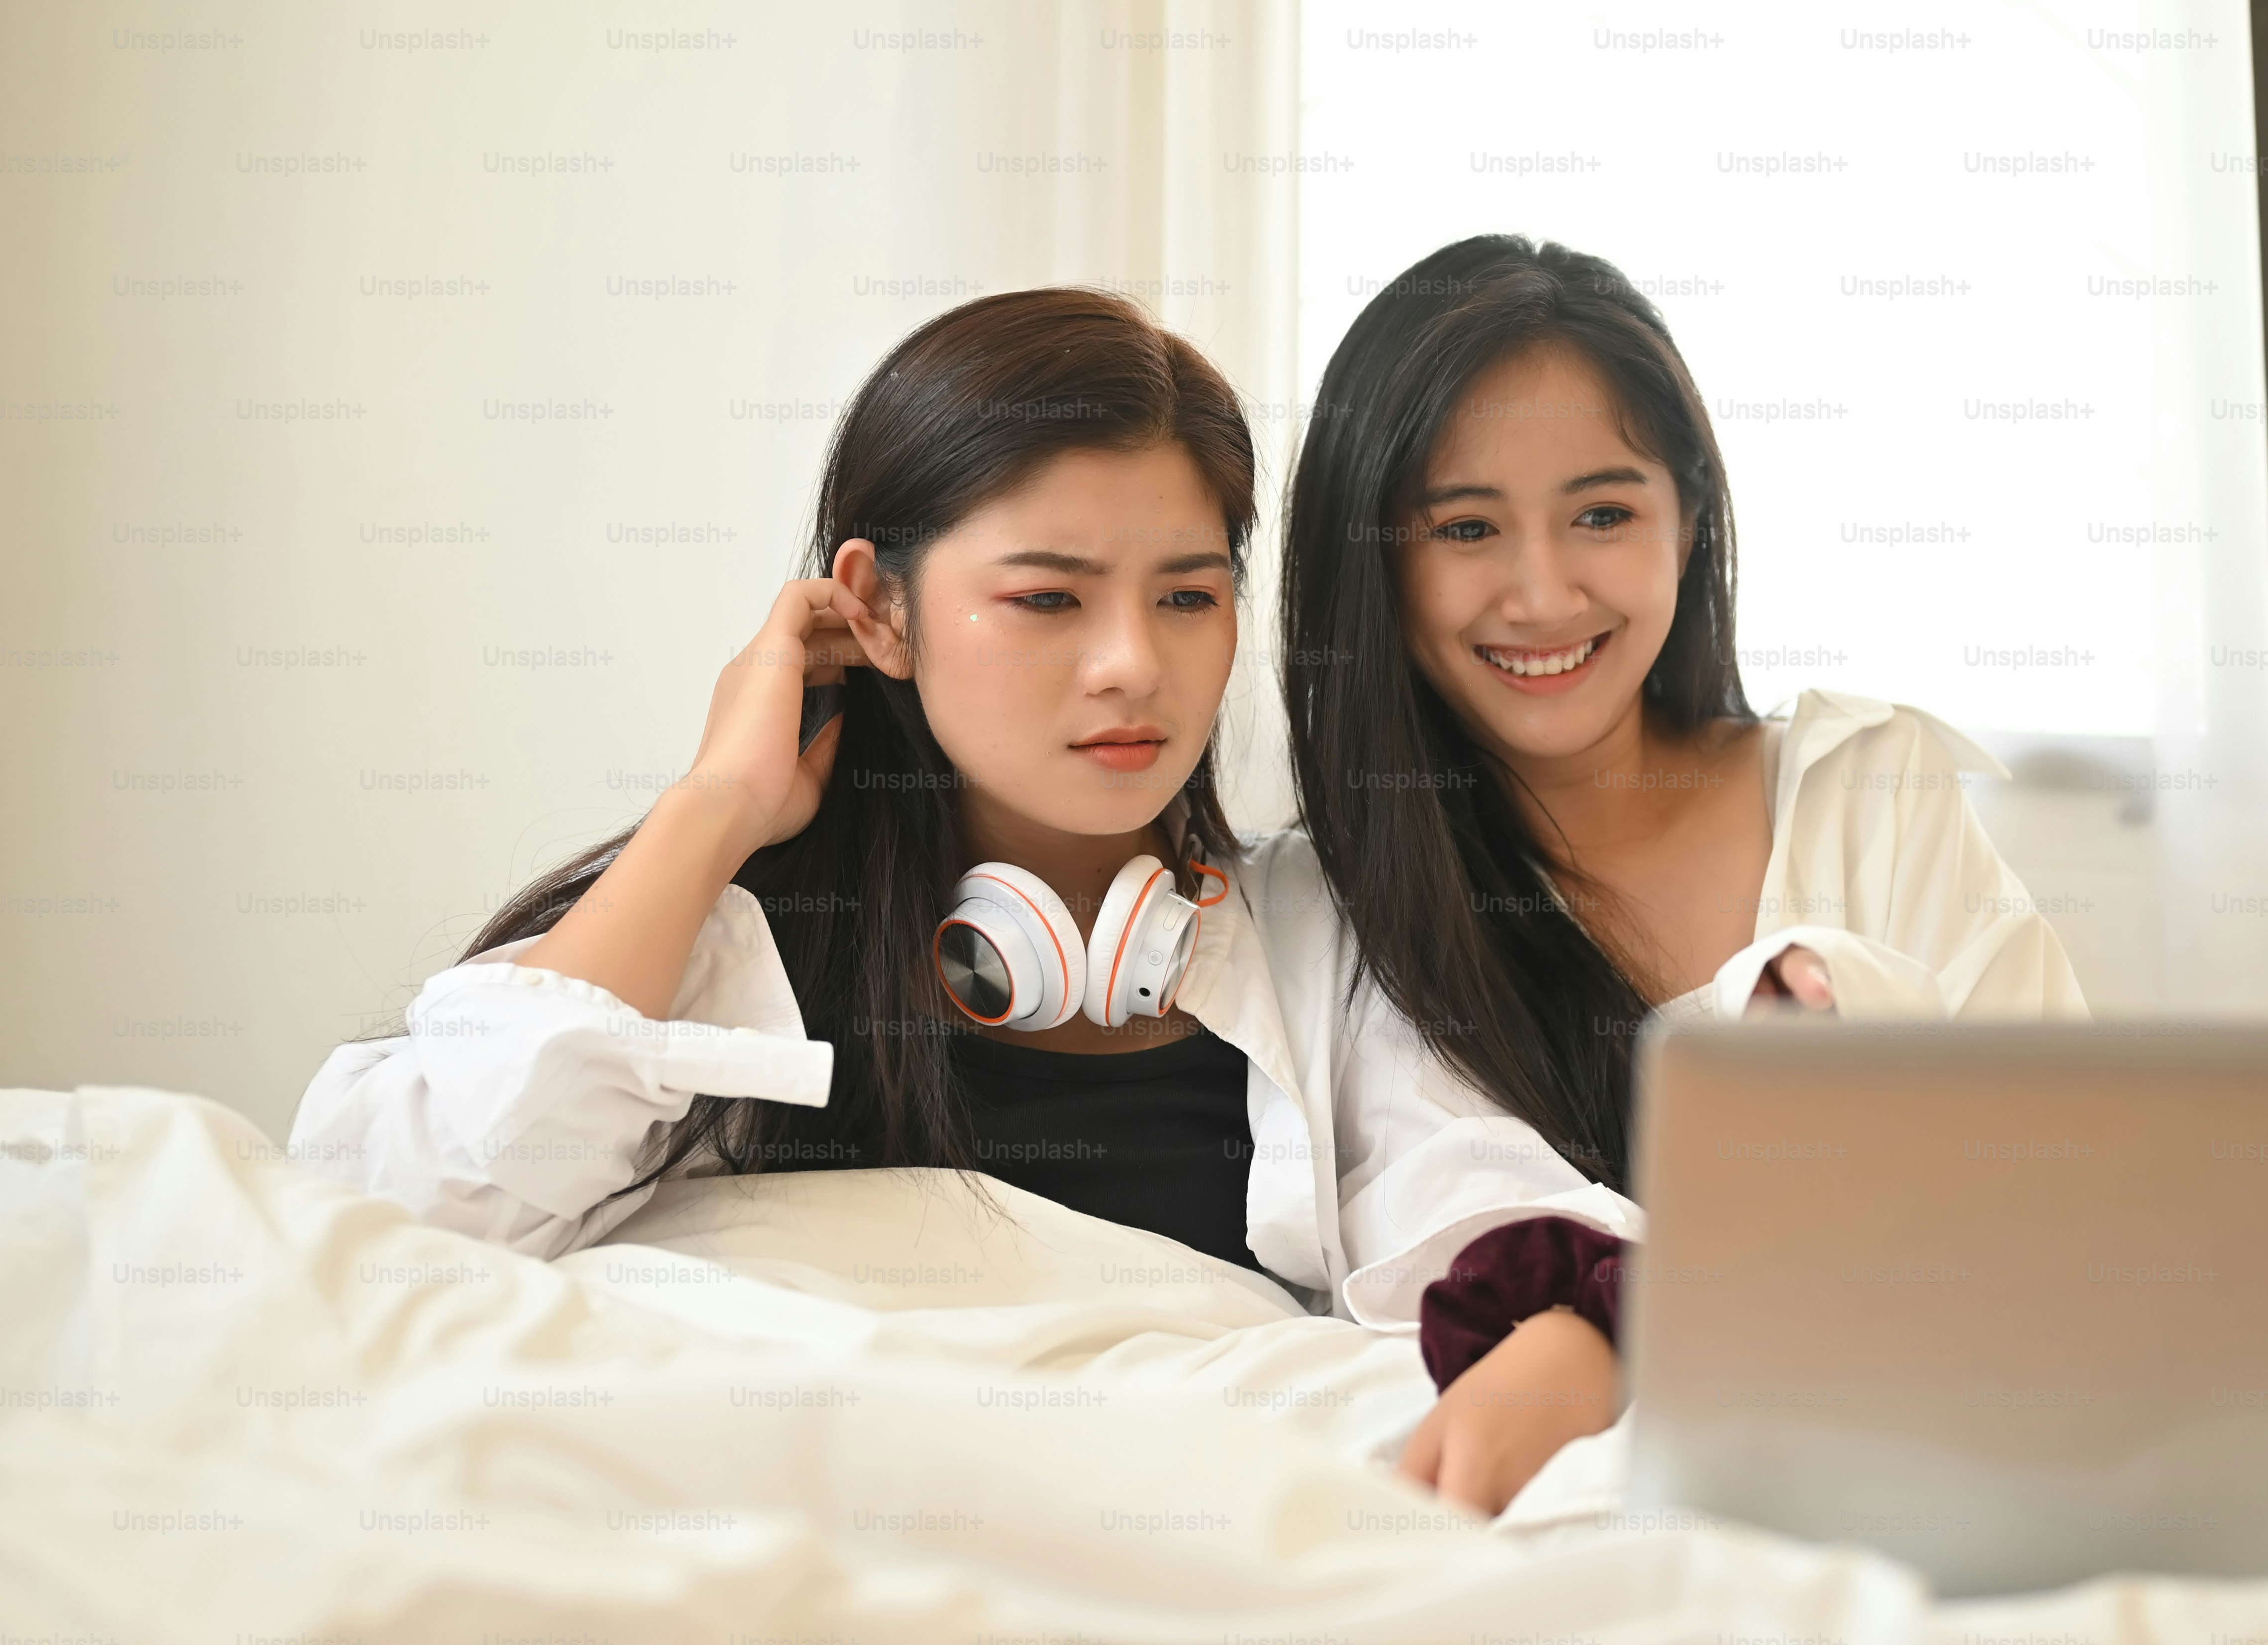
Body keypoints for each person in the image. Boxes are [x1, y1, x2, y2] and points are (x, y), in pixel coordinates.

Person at [288, 288, 1356, 1287]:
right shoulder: (739, 947)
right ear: (879, 612)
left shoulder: (1327, 947)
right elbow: (380, 1238)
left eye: (1185, 594)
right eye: (1045, 597)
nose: (1131, 662)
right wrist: (713, 806)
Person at [1260, 235, 2090, 1512]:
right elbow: (1427, 1219)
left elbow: (2054, 1175)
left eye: (1602, 513)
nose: (1543, 594)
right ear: (1374, 560)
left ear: (1689, 520)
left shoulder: (1869, 786)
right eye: (1466, 526)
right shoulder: (1330, 901)